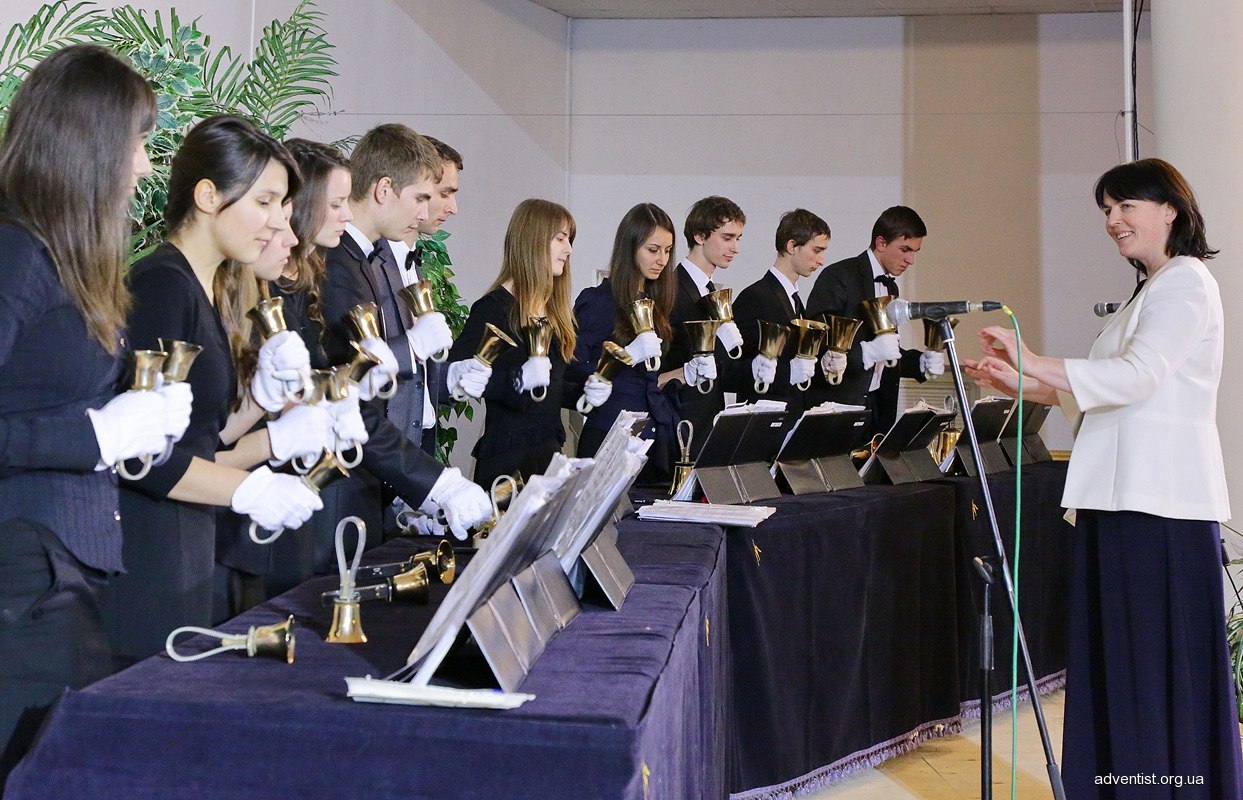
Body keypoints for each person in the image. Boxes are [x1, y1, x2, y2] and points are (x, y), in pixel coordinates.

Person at [964, 158, 1241, 798]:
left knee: (1149, 666)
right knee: (1121, 663)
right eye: (1106, 211)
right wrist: (1022, 381)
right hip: (1120, 499)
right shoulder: (1153, 288)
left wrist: (1036, 359)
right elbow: (1112, 393)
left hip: (1157, 502)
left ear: (1170, 209)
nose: (1113, 221)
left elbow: (1138, 377)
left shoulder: (1186, 282)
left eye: (1124, 206)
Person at [0, 45, 191, 780]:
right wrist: (94, 437)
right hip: (22, 574)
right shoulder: (16, 254)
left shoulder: (59, 256)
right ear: (89, 145)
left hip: (62, 567)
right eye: (137, 143)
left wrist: (131, 415)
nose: (144, 165)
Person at [106, 115, 326, 663]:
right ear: (208, 196)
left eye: (282, 204)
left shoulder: (208, 286)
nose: (277, 223)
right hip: (147, 549)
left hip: (187, 540)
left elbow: (202, 436)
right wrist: (248, 489)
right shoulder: (163, 284)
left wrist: (259, 404)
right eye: (265, 201)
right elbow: (144, 458)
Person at [320, 125, 489, 541]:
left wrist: (444, 376)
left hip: (372, 472)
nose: (425, 212)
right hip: (342, 483)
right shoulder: (339, 264)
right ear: (383, 190)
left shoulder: (366, 261)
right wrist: (436, 486)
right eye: (421, 198)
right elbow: (346, 388)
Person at [446, 198, 579, 488]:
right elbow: (456, 376)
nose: (569, 249)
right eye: (560, 239)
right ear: (533, 241)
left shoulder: (553, 313)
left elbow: (549, 390)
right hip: (508, 467)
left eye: (569, 240)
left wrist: (587, 393)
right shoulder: (493, 309)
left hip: (547, 459)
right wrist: (517, 380)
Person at [570, 203, 696, 486]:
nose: (662, 259)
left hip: (650, 436)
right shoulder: (599, 301)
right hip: (609, 435)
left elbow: (650, 379)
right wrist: (625, 356)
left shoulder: (657, 305)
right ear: (630, 248)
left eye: (667, 251)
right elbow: (574, 365)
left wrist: (687, 372)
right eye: (653, 250)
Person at [730, 208, 831, 417]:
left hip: (790, 418)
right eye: (816, 250)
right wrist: (789, 373)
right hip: (765, 422)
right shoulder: (755, 297)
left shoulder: (794, 299)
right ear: (792, 246)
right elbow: (734, 370)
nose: (821, 260)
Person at [667, 196, 745, 457]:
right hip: (679, 427)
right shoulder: (671, 290)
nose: (735, 248)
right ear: (699, 236)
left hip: (706, 424)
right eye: (727, 237)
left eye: (738, 238)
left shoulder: (712, 291)